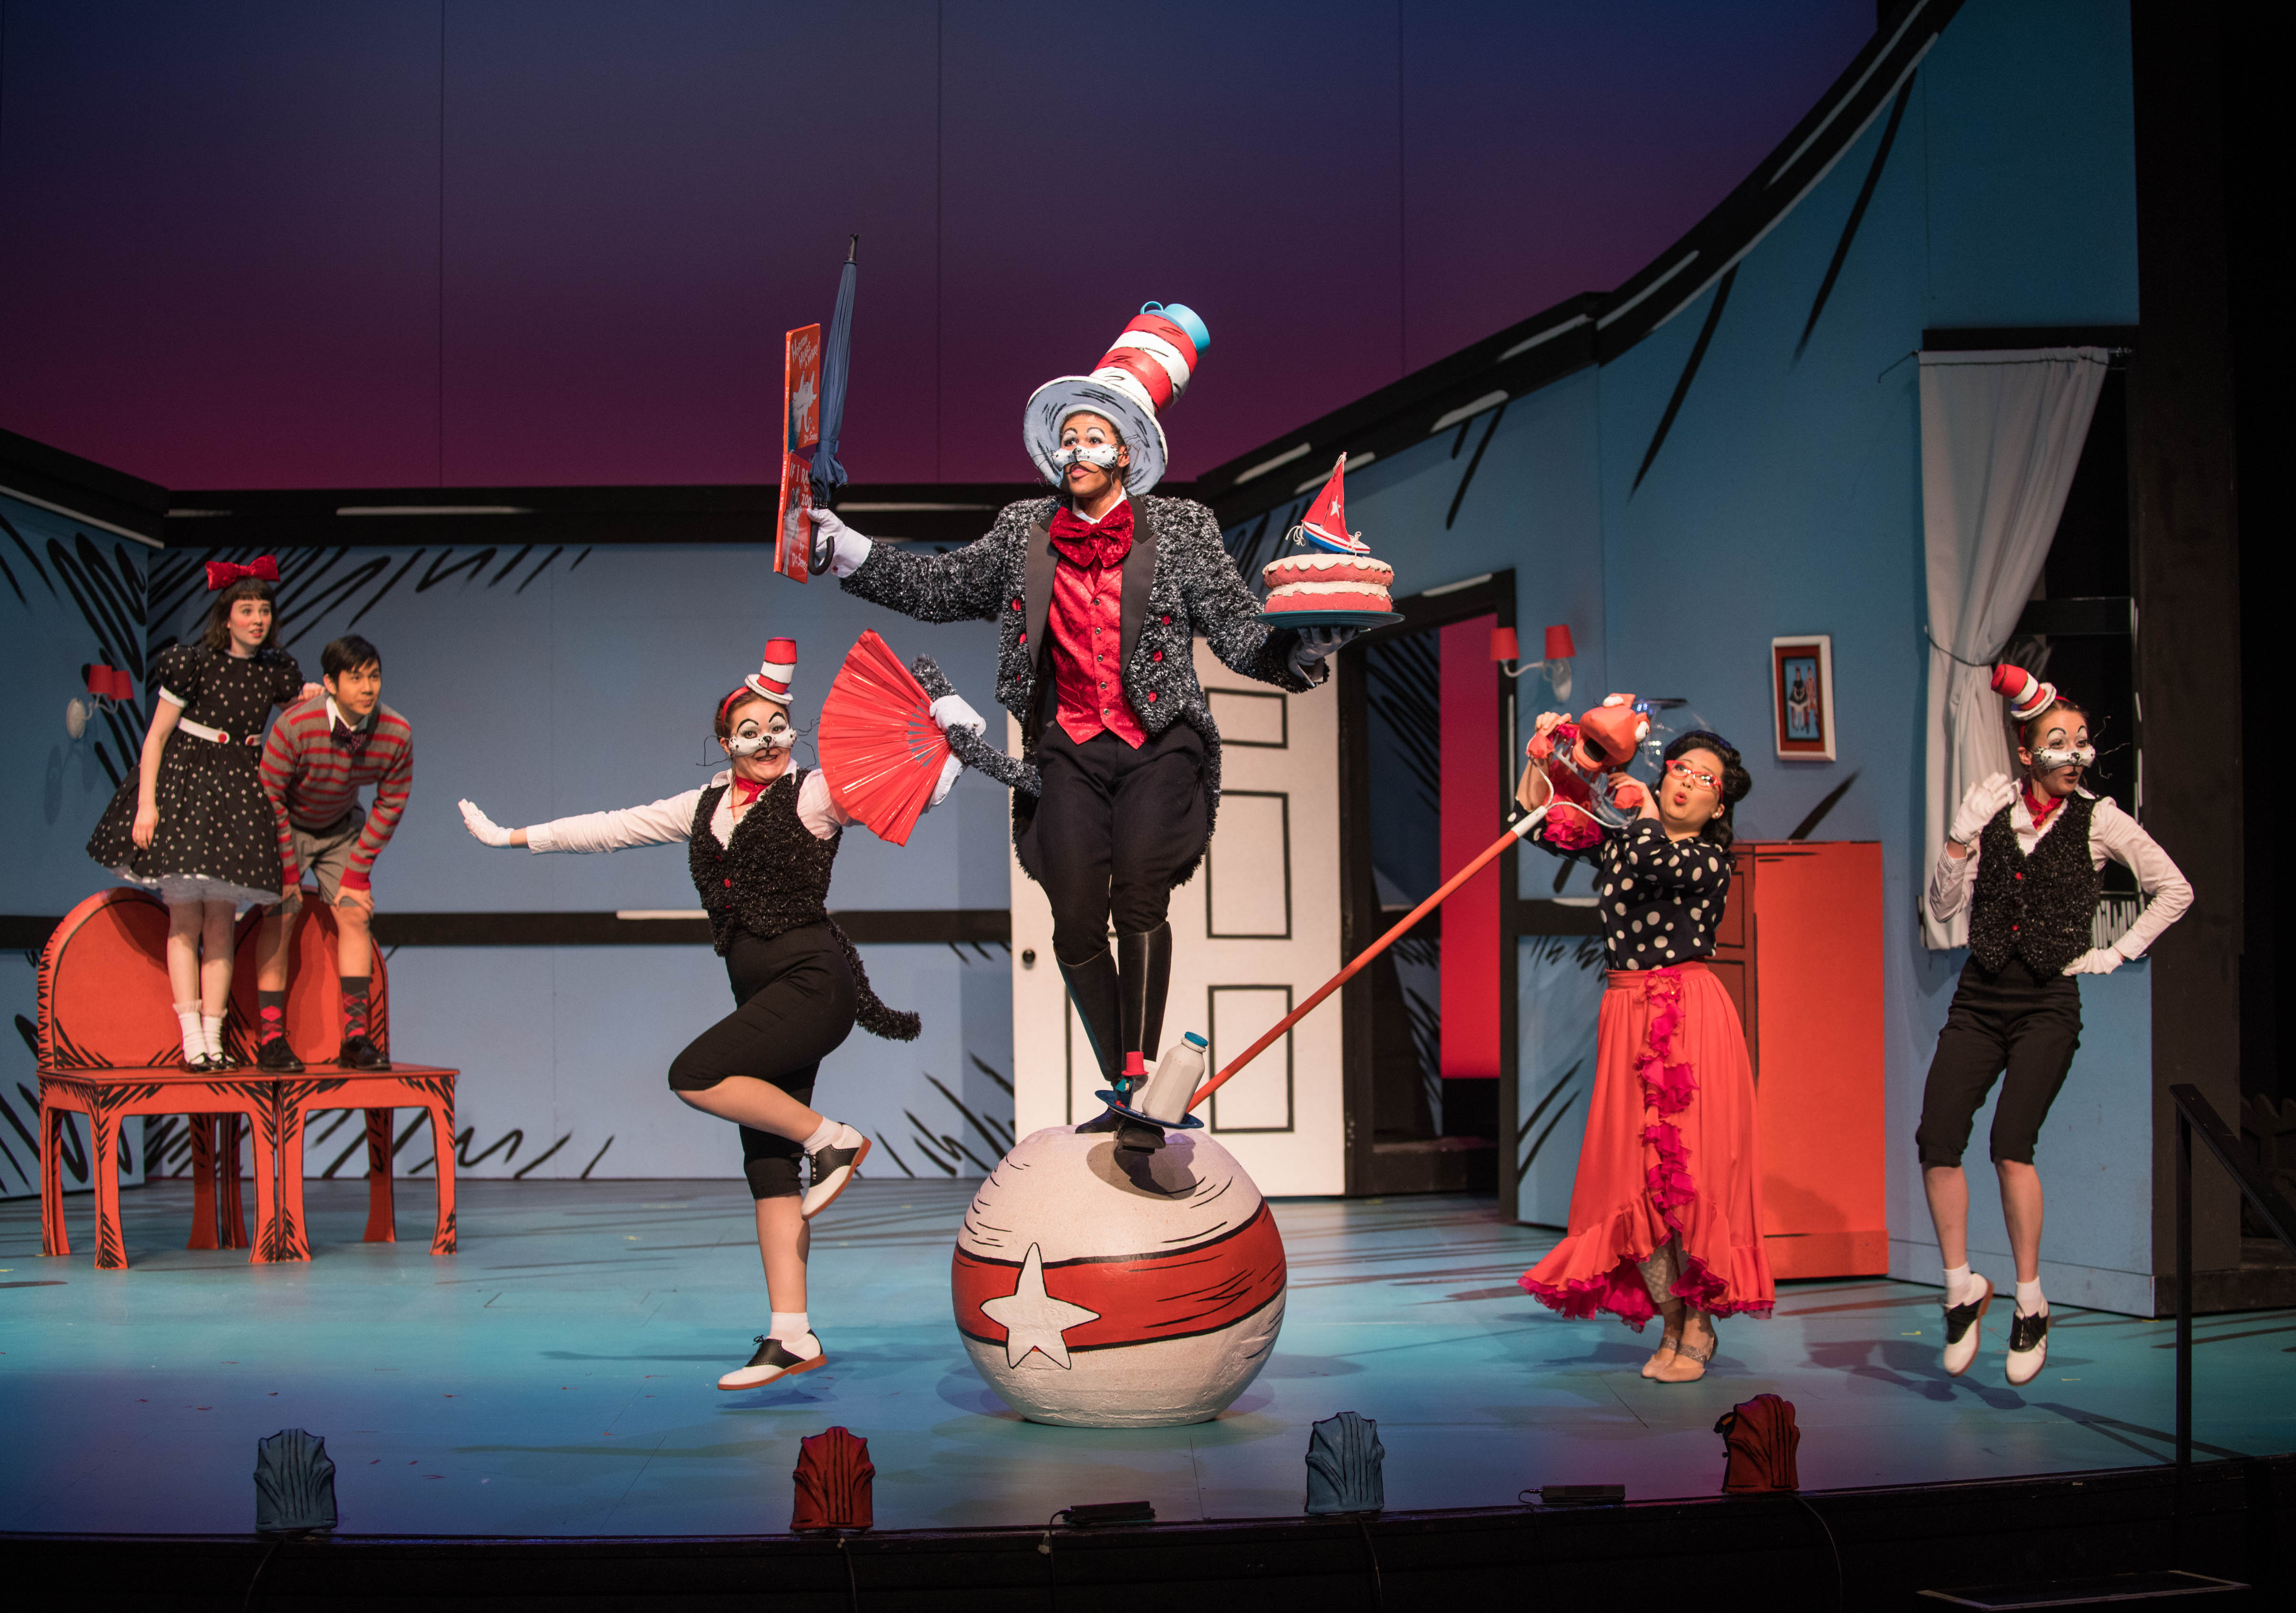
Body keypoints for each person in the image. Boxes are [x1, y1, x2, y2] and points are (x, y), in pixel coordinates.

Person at [806, 303, 1348, 1099]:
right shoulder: (1024, 529)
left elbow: (1237, 634)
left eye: (1094, 438)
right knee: (1073, 919)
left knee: (1139, 888)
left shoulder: (1181, 527)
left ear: (1126, 452)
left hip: (1159, 740)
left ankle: (1143, 1069)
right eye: (1069, 438)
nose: (1077, 450)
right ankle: (1122, 1083)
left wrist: (1302, 651)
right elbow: (941, 585)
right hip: (1067, 746)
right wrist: (846, 549)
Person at [456, 639, 984, 1391]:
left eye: (779, 727)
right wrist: (511, 837)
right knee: (768, 1166)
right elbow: (609, 828)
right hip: (761, 998)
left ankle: (834, 1139)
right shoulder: (700, 807)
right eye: (750, 730)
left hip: (813, 984)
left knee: (694, 1073)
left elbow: (908, 793)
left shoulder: (815, 794)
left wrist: (957, 742)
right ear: (725, 741)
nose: (768, 740)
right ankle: (791, 1333)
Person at [1920, 666, 2190, 1386]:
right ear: (2026, 751)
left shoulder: (2101, 819)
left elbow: (2174, 889)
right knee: (1937, 1138)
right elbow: (1941, 908)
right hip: (1980, 997)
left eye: (2081, 741)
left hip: (2046, 1003)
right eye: (2058, 742)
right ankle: (1961, 1288)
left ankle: (2031, 1302)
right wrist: (1958, 839)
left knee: (2011, 1145)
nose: (2075, 755)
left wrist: (2115, 952)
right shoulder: (1993, 810)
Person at [1513, 714, 1771, 1383]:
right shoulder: (1626, 842)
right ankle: (1671, 1319)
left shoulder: (1708, 860)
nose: (1685, 781)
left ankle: (1700, 1323)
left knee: (1688, 1174)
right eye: (1679, 769)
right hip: (1627, 1014)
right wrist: (1543, 754)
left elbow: (1660, 861)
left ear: (1721, 804)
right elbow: (1534, 822)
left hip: (1689, 1017)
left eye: (1703, 778)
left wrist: (1644, 811)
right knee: (1635, 1180)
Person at [85, 558, 316, 1071]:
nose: (257, 619)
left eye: (264, 610)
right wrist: (147, 805)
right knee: (187, 920)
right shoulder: (194, 663)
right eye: (246, 610)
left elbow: (300, 718)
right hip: (190, 791)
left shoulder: (274, 672)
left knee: (221, 925)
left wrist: (314, 696)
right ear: (227, 616)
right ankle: (193, 1041)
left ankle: (215, 1040)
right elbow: (156, 738)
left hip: (240, 795)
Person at [252, 633, 414, 1071]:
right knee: (281, 911)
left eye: (374, 677)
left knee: (355, 912)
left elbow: (392, 802)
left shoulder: (395, 732)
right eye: (356, 678)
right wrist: (288, 871)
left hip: (341, 826)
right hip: (286, 823)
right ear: (330, 683)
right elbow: (269, 795)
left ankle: (356, 1039)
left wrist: (357, 872)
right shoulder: (296, 726)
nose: (368, 688)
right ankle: (271, 1039)